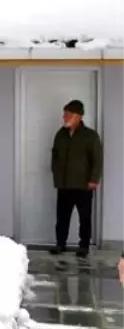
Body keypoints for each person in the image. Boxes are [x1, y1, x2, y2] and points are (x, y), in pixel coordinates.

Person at [49, 99, 103, 258]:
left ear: (78, 116)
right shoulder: (60, 134)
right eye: (64, 114)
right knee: (62, 217)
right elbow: (55, 156)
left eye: (67, 114)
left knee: (84, 218)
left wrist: (94, 179)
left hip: (83, 185)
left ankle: (84, 246)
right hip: (64, 185)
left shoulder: (90, 136)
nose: (64, 117)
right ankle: (60, 244)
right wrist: (56, 175)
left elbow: (97, 160)